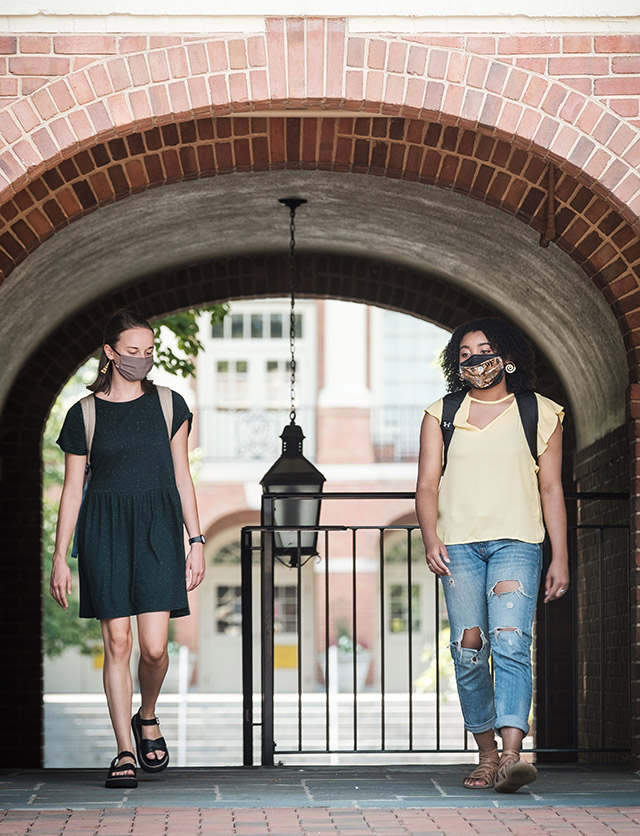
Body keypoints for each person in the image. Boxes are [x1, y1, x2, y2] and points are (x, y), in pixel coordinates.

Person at [49, 309, 206, 789]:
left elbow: (182, 475)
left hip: (159, 527)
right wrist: (60, 557)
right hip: (105, 530)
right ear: (111, 353)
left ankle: (148, 714)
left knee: (156, 648)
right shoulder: (85, 413)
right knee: (118, 642)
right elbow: (72, 490)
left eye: (149, 351)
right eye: (132, 352)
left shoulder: (168, 405)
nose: (142, 360)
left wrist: (196, 540)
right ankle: (123, 750)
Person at [415, 317, 568, 793]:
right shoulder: (440, 414)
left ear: (506, 355)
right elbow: (425, 485)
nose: (475, 359)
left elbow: (550, 487)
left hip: (517, 543)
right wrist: (429, 537)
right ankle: (485, 755)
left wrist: (559, 556)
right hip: (457, 546)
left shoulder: (540, 412)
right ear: (455, 365)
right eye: (464, 354)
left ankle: (511, 756)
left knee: (509, 642)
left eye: (484, 349)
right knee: (468, 651)